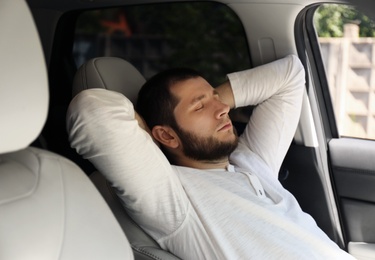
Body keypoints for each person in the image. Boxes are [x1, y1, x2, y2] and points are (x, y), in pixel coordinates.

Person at [67, 55, 355, 259]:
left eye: (217, 98)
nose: (222, 109)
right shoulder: (173, 199)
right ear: (166, 136)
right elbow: (91, 111)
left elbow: (290, 74)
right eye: (198, 106)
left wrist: (211, 101)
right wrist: (147, 137)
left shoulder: (251, 161)